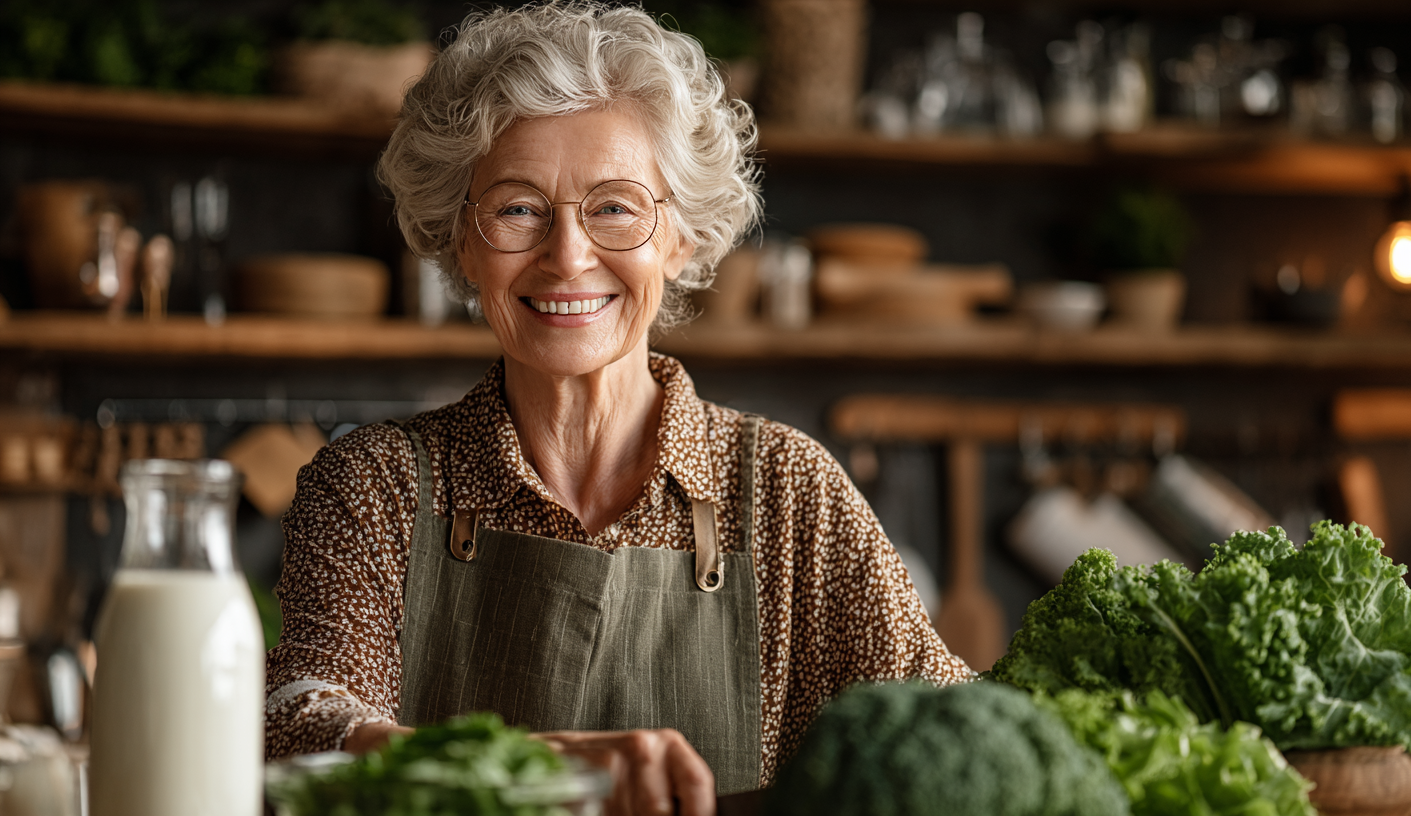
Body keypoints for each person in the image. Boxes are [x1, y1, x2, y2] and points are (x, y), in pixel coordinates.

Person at [264, 4, 972, 814]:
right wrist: (537, 769)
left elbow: (945, 730)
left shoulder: (789, 493)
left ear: (682, 238)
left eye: (614, 208)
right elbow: (301, 721)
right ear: (460, 241)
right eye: (518, 208)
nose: (567, 257)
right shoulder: (378, 484)